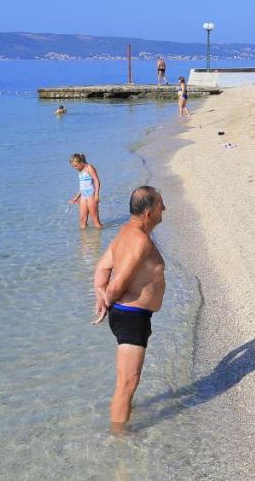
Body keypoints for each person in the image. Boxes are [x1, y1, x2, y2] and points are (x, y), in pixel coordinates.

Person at [91, 185, 167, 433]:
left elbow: (102, 268)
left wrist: (101, 297)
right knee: (127, 381)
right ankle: (119, 440)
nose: (164, 209)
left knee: (128, 381)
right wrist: (108, 300)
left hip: (131, 315)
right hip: (131, 317)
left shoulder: (125, 232)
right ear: (148, 213)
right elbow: (119, 282)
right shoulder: (139, 240)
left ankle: (122, 419)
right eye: (160, 205)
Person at [68, 153, 104, 229]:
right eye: (73, 167)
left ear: (81, 162)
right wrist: (76, 198)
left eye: (76, 166)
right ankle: (85, 239)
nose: (75, 168)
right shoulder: (80, 171)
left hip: (91, 195)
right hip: (83, 196)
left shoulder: (89, 167)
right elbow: (82, 187)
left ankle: (99, 238)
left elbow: (97, 181)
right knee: (82, 220)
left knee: (95, 221)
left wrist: (97, 195)